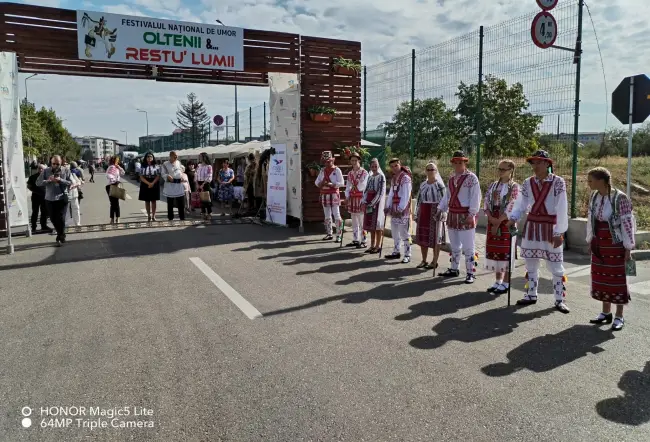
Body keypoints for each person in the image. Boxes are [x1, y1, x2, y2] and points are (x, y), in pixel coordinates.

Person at [507, 150, 570, 313]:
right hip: (533, 226)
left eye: (539, 162)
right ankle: (531, 294)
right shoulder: (528, 183)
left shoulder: (558, 182)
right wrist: (513, 217)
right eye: (533, 163)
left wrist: (559, 231)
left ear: (547, 164)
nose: (535, 166)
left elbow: (562, 207)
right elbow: (521, 203)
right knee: (531, 263)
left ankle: (559, 299)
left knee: (556, 265)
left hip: (551, 227)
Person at [586, 167, 636, 331]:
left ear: (601, 181)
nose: (588, 183)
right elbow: (590, 219)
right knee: (601, 278)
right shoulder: (594, 196)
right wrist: (590, 240)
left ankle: (619, 316)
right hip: (599, 244)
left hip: (615, 245)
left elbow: (627, 223)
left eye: (591, 180)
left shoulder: (620, 198)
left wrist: (628, 248)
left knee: (617, 279)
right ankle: (605, 313)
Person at [437, 150, 482, 283]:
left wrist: (472, 214)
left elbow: (476, 197)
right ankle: (454, 268)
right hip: (452, 215)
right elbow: (447, 196)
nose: (457, 164)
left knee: (468, 246)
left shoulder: (472, 178)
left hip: (465, 215)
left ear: (464, 162)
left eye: (460, 162)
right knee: (455, 245)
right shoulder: (451, 178)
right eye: (455, 162)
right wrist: (440, 208)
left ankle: (470, 272)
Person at [483, 160, 521, 294]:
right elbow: (486, 202)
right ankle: (498, 281)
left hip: (506, 222)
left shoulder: (514, 187)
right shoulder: (493, 185)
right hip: (493, 219)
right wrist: (491, 218)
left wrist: (498, 221)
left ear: (511, 170)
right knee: (496, 252)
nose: (500, 171)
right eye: (499, 169)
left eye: (503, 169)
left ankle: (506, 282)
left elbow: (512, 205)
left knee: (506, 252)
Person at [414, 162, 446, 270]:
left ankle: (434, 261)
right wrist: (416, 213)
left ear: (436, 171)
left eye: (432, 169)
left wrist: (441, 213)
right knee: (424, 236)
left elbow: (444, 201)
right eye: (428, 169)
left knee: (436, 237)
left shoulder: (440, 186)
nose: (430, 171)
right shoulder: (423, 185)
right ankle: (424, 260)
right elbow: (419, 200)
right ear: (425, 171)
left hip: (435, 213)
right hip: (424, 212)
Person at [36, 155, 71, 246]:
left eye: (57, 164)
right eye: (53, 163)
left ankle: (60, 236)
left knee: (61, 218)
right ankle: (61, 234)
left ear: (61, 163)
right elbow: (38, 183)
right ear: (51, 163)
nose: (55, 165)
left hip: (62, 197)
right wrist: (48, 180)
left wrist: (60, 180)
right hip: (49, 198)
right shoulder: (46, 171)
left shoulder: (66, 170)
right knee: (52, 218)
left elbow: (70, 182)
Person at [385, 158, 413, 263]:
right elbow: (391, 193)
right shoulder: (393, 178)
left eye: (396, 166)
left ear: (400, 165)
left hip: (402, 209)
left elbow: (406, 195)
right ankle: (396, 251)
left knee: (404, 232)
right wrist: (387, 206)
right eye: (392, 167)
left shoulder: (405, 178)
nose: (394, 168)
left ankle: (408, 254)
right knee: (394, 231)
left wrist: (401, 208)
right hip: (394, 208)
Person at [315, 151, 344, 242]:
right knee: (327, 214)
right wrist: (322, 182)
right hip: (324, 194)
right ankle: (329, 233)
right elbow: (316, 182)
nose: (327, 163)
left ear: (332, 160)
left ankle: (339, 235)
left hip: (334, 194)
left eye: (329, 161)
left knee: (336, 214)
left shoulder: (337, 170)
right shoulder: (322, 170)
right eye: (325, 161)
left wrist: (332, 184)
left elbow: (342, 183)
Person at [361, 158, 386, 254]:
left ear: (378, 166)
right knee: (371, 226)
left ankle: (377, 245)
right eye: (372, 166)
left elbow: (381, 192)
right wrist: (363, 201)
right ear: (370, 167)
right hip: (369, 202)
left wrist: (372, 203)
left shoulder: (381, 177)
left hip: (377, 203)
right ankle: (372, 245)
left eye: (376, 166)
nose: (374, 168)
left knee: (378, 225)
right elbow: (366, 190)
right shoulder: (370, 177)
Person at [344, 152, 369, 248]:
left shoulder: (364, 172)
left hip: (361, 199)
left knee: (362, 220)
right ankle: (355, 239)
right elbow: (348, 186)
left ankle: (364, 240)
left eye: (355, 160)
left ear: (359, 160)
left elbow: (363, 185)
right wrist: (347, 196)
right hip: (352, 198)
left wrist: (354, 187)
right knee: (354, 220)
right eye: (352, 160)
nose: (354, 162)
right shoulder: (350, 173)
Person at [161, 151, 186, 221]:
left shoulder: (178, 162)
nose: (176, 157)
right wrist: (167, 176)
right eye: (174, 156)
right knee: (170, 203)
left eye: (177, 156)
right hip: (170, 185)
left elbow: (182, 169)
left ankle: (182, 217)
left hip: (179, 184)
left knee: (181, 202)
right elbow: (163, 173)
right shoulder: (165, 164)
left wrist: (182, 175)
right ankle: (170, 217)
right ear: (170, 156)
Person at [27, 163, 52, 233]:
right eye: (39, 168)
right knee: (35, 212)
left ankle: (43, 225)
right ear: (37, 169)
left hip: (45, 197)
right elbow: (29, 186)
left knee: (44, 212)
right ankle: (33, 227)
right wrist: (35, 191)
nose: (41, 170)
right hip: (35, 197)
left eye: (42, 168)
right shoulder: (32, 177)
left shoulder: (47, 176)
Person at [138, 151, 160, 222]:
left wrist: (152, 183)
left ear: (153, 158)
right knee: (147, 201)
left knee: (154, 200)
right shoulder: (142, 166)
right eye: (148, 156)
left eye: (151, 156)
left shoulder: (156, 165)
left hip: (154, 182)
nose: (149, 158)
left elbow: (158, 176)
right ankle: (149, 215)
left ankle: (153, 215)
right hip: (145, 183)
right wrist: (148, 183)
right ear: (146, 158)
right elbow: (141, 177)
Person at [105, 156, 125, 224]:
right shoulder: (111, 167)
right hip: (111, 186)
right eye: (116, 160)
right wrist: (115, 181)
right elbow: (108, 175)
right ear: (113, 161)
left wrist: (119, 167)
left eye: (118, 160)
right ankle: (113, 218)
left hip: (116, 185)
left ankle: (116, 218)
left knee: (116, 203)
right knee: (113, 203)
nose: (117, 161)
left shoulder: (117, 167)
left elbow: (123, 173)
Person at [196, 152, 214, 220]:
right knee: (201, 199)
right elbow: (196, 175)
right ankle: (203, 212)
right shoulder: (199, 166)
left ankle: (209, 213)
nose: (199, 158)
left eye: (200, 157)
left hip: (206, 183)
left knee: (206, 199)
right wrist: (197, 184)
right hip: (199, 183)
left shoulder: (209, 166)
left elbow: (209, 176)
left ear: (204, 157)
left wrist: (203, 184)